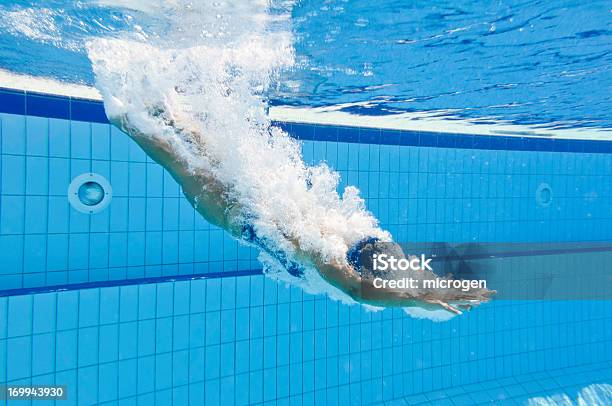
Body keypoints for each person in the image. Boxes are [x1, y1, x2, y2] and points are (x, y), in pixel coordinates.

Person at [110, 108, 494, 316]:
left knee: (197, 144)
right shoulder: (326, 254)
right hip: (236, 214)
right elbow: (357, 290)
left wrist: (435, 287)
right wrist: (416, 298)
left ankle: (155, 103)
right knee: (176, 157)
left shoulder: (352, 233)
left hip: (254, 196)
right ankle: (121, 107)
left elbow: (392, 268)